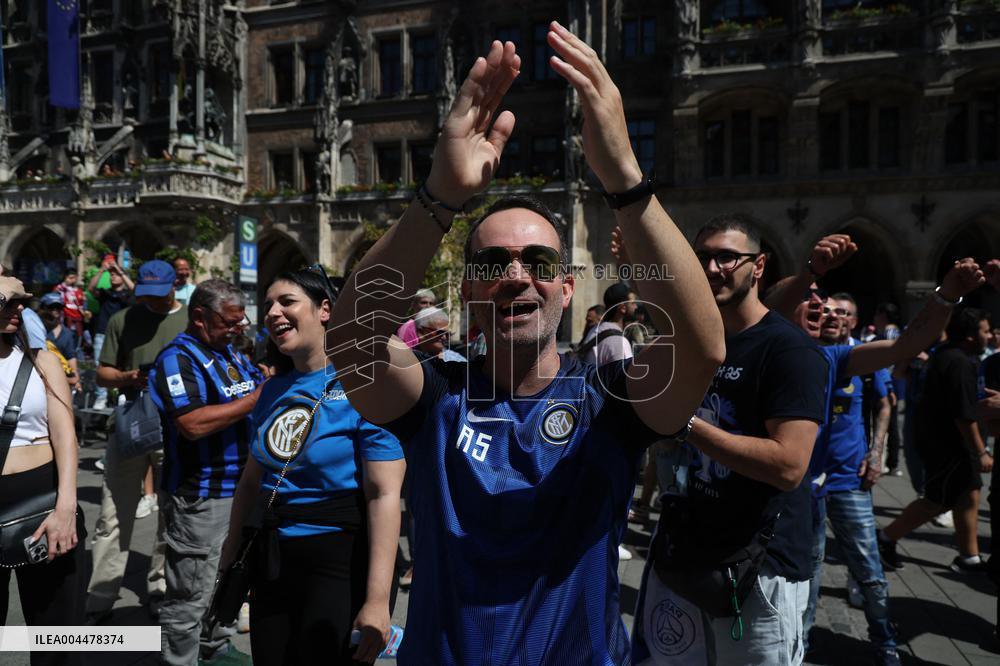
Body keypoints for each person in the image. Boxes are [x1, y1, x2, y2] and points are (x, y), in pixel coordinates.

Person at [328, 25, 725, 664]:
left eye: (538, 262)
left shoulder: (610, 399)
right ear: (467, 291)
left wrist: (623, 177)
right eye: (492, 265)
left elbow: (702, 346)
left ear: (567, 288)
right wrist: (440, 198)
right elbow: (350, 338)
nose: (515, 275)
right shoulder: (436, 396)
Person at [631, 213, 829, 666]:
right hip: (688, 550)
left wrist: (685, 425)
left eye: (727, 257)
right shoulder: (700, 343)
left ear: (758, 266)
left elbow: (788, 466)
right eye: (702, 257)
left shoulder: (790, 351)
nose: (711, 268)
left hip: (760, 568)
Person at [221, 269, 405, 665]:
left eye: (286, 301)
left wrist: (377, 601)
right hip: (271, 562)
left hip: (337, 563)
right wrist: (229, 557)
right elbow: (251, 483)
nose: (273, 312)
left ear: (325, 310)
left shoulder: (366, 385)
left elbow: (384, 494)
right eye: (268, 305)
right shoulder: (271, 389)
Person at [148, 280, 263, 665]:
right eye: (231, 321)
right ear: (199, 317)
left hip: (243, 491)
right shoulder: (177, 359)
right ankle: (179, 660)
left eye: (241, 319)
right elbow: (192, 423)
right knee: (190, 594)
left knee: (229, 582)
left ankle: (215, 649)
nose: (240, 327)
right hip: (202, 496)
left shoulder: (231, 353)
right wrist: (255, 400)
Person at [86, 260, 188, 622]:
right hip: (129, 423)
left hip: (175, 429)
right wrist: (128, 376)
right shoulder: (122, 320)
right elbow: (101, 373)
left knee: (169, 514)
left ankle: (159, 587)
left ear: (174, 284)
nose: (152, 302)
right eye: (145, 295)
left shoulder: (192, 319)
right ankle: (102, 591)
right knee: (112, 514)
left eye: (158, 295)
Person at [801, 294, 897, 661]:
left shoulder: (864, 356)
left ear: (853, 321)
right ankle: (801, 639)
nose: (832, 317)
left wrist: (876, 454)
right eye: (826, 311)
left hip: (848, 478)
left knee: (868, 568)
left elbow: (885, 404)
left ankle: (884, 636)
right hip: (806, 480)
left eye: (841, 312)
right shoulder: (805, 352)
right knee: (808, 568)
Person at [0, 277, 86, 666]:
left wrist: (65, 508)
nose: (18, 309)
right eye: (7, 301)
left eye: (22, 302)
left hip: (44, 504)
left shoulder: (42, 359)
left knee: (56, 637)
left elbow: (65, 437)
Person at [878, 307, 994, 574]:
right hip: (948, 447)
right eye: (985, 331)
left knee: (969, 494)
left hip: (943, 443)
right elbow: (963, 415)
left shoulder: (947, 355)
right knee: (936, 501)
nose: (989, 336)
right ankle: (884, 539)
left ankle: (969, 556)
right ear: (969, 336)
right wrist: (981, 452)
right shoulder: (958, 362)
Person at [87, 257, 134, 409]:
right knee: (99, 364)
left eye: (116, 275)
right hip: (102, 333)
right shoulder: (105, 293)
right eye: (112, 275)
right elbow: (90, 288)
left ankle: (119, 394)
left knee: (122, 365)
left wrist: (121, 271)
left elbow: (135, 290)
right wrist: (102, 270)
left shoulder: (127, 295)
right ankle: (101, 397)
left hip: (123, 334)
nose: (113, 276)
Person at [38, 292, 80, 385]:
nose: (56, 310)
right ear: (43, 308)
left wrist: (75, 377)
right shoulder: (36, 330)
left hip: (62, 378)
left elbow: (70, 357)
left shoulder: (67, 333)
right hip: (41, 376)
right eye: (51, 307)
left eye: (59, 307)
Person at [53, 268, 86, 338]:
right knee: (66, 336)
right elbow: (54, 293)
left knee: (79, 337)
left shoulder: (79, 291)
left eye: (74, 278)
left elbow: (83, 305)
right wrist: (64, 284)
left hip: (78, 318)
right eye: (70, 278)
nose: (72, 280)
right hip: (66, 317)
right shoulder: (61, 288)